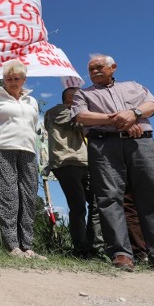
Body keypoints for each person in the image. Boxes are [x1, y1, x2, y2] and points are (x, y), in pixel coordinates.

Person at [72, 54, 154, 277]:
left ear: (113, 67)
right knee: (108, 198)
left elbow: (152, 104)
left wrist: (133, 113)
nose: (95, 71)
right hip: (104, 145)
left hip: (141, 143)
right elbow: (81, 116)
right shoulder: (83, 94)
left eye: (99, 67)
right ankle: (121, 254)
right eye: (91, 69)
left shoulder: (134, 86)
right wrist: (116, 118)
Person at [0, 59, 45, 259]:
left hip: (28, 151)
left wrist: (36, 151)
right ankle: (12, 246)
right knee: (8, 197)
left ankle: (28, 246)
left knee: (29, 198)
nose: (13, 82)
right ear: (3, 79)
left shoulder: (32, 101)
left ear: (24, 79)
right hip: (1, 149)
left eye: (17, 78)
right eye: (9, 78)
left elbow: (35, 129)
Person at [44, 87, 103, 257]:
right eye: (79, 97)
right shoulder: (57, 111)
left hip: (86, 163)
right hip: (66, 163)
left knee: (96, 204)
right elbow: (78, 123)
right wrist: (99, 116)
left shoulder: (79, 112)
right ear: (69, 98)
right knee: (77, 206)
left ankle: (95, 246)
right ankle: (81, 248)